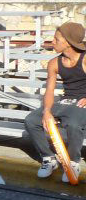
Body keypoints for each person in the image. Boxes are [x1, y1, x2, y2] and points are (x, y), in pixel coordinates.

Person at [24, 22, 86, 182]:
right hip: (66, 101)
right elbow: (50, 90)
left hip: (83, 103)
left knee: (73, 123)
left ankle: (73, 162)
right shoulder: (54, 63)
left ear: (68, 42)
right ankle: (49, 159)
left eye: (56, 39)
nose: (52, 42)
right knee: (31, 120)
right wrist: (46, 112)